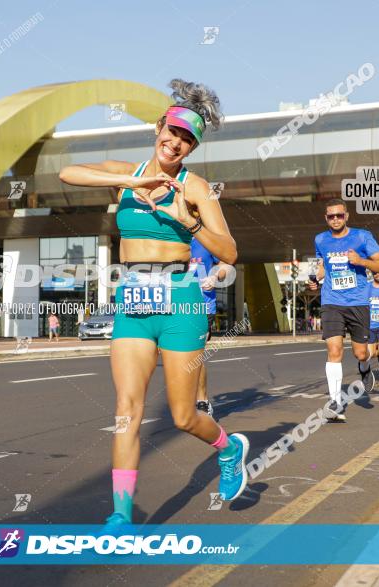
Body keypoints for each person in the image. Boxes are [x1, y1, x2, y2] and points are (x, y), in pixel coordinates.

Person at [58, 79, 248, 533]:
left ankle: (227, 448)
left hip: (180, 300)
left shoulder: (195, 187)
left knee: (184, 416)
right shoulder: (127, 172)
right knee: (127, 410)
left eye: (187, 139)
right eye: (173, 131)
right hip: (133, 299)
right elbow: (68, 173)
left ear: (192, 148)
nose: (176, 142)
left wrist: (188, 222)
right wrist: (130, 179)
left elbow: (230, 252)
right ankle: (121, 515)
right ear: (158, 127)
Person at [307, 199, 379, 422]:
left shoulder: (362, 236)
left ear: (347, 216)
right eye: (331, 216)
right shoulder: (321, 239)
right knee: (334, 350)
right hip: (332, 301)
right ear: (326, 218)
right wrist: (316, 278)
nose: (335, 219)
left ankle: (364, 368)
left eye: (339, 215)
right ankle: (335, 403)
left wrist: (361, 261)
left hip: (358, 302)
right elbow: (322, 264)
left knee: (360, 353)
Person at [189, 236, 232, 418]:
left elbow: (226, 264)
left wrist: (215, 276)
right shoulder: (171, 235)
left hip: (201, 305)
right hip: (173, 305)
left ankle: (202, 401)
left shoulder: (205, 238)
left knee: (195, 354)